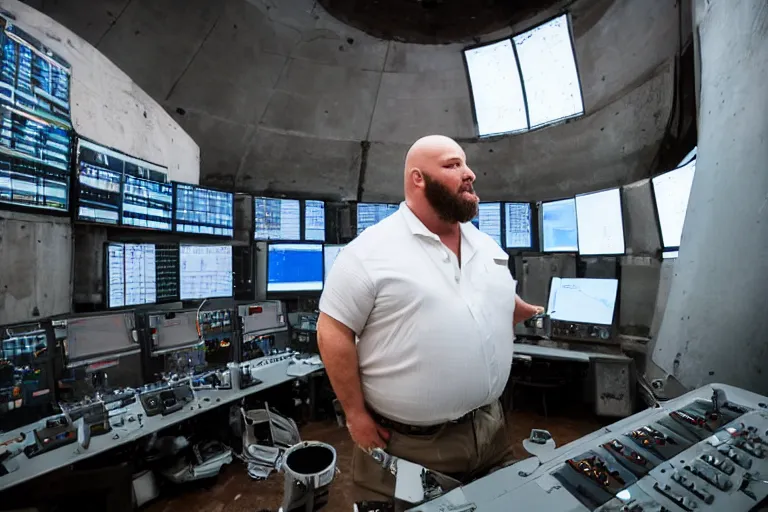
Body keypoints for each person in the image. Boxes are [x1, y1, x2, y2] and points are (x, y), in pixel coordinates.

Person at [317, 135, 544, 507]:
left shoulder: (486, 246)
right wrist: (355, 414)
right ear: (418, 178)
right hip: (411, 446)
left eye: (466, 164)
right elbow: (332, 331)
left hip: (490, 431)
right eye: (453, 165)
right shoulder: (369, 253)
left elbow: (501, 298)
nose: (469, 173)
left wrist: (531, 312)